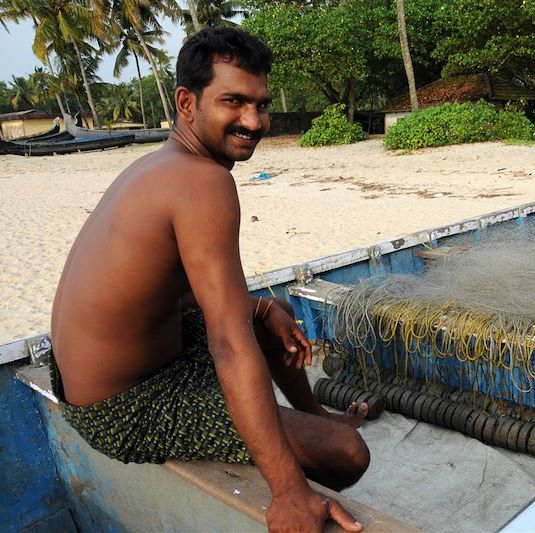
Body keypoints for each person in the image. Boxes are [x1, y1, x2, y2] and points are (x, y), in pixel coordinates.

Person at [49, 27, 369, 533]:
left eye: (261, 105)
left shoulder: (163, 164)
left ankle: (313, 415)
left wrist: (262, 309)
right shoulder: (204, 182)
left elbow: (161, 290)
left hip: (103, 372)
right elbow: (227, 342)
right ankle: (306, 468)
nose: (253, 121)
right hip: (125, 406)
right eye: (234, 102)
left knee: (271, 312)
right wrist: (287, 491)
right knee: (348, 454)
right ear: (186, 102)